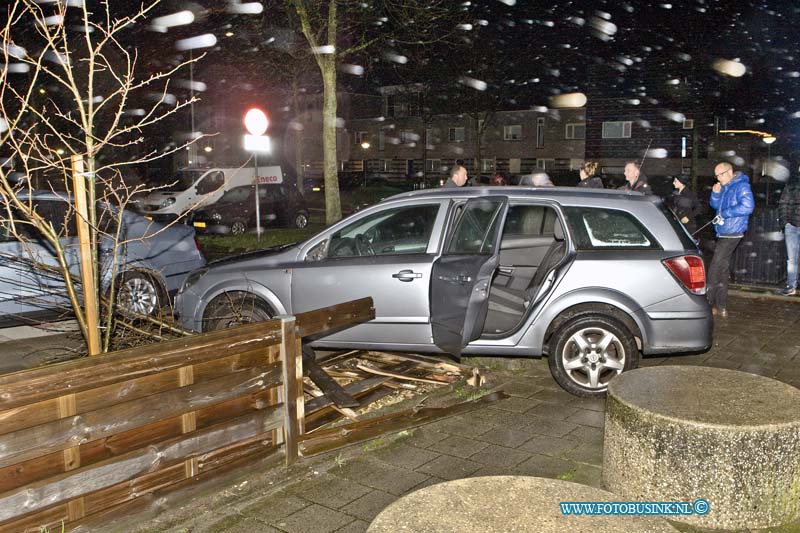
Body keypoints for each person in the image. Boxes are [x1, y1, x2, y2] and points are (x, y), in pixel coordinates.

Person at [707, 162, 754, 317]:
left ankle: (708, 304)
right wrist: (715, 194)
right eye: (716, 175)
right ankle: (720, 307)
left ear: (730, 172)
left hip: (732, 232)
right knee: (722, 269)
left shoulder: (741, 186)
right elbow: (716, 206)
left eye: (720, 174)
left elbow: (748, 206)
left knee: (715, 268)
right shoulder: (725, 186)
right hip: (724, 231)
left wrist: (726, 214)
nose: (718, 178)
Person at [778, 175, 800, 296]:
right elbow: (783, 203)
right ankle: (791, 285)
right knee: (791, 259)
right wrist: (785, 223)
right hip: (791, 226)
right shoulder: (791, 185)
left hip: (791, 225)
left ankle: (791, 285)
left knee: (792, 259)